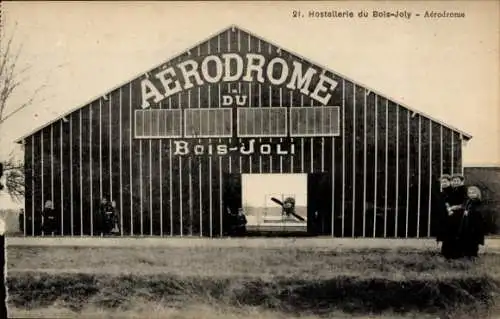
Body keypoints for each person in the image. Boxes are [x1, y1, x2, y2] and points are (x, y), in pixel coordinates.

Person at [436, 174, 465, 259]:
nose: (455, 182)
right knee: (450, 234)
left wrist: (453, 207)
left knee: (457, 234)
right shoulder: (453, 190)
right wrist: (449, 209)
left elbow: (464, 203)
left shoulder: (463, 190)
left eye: (457, 181)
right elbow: (447, 202)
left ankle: (457, 254)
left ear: (461, 182)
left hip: (460, 215)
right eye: (454, 181)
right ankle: (448, 254)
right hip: (451, 214)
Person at [460, 186, 486, 259]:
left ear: (477, 194)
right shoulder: (468, 202)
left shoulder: (478, 202)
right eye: (470, 193)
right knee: (467, 240)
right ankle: (467, 254)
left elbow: (479, 212)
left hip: (475, 225)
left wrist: (469, 212)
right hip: (467, 223)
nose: (471, 194)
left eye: (473, 193)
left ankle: (473, 255)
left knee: (474, 241)